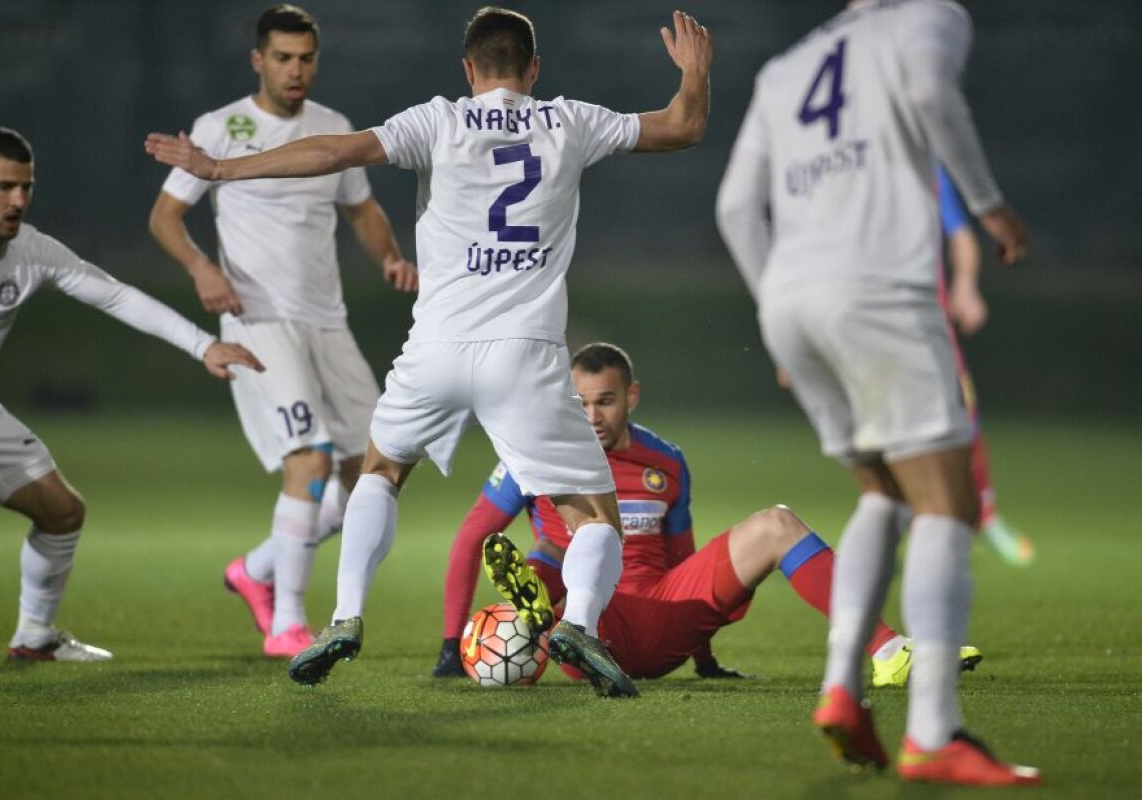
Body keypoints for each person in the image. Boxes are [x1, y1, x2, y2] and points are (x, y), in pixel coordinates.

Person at [146, 6, 713, 698]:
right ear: (533, 69)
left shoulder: (437, 119)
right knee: (593, 515)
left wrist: (223, 170)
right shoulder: (570, 120)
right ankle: (582, 624)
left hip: (436, 347)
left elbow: (334, 152)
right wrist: (695, 75)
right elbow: (682, 126)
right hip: (524, 355)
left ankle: (345, 616)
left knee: (380, 471)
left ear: (468, 69)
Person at [716, 0, 1040, 787]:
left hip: (792, 299)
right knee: (945, 504)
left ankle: (841, 689)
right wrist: (991, 205)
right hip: (878, 291)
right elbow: (932, 94)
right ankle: (933, 731)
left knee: (883, 495)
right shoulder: (927, 17)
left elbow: (734, 207)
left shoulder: (783, 67)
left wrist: (774, 307)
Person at [432, 342, 982, 686]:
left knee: (778, 523)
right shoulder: (537, 455)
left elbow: (683, 562)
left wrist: (704, 658)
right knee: (548, 554)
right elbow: (471, 539)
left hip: (663, 611)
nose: (593, 416)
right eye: (580, 403)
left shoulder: (666, 461)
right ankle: (552, 620)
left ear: (632, 397)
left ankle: (888, 650)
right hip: (587, 623)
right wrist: (448, 644)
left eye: (606, 400)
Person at [148, 5, 418, 659]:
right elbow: (164, 217)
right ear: (258, 61)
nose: (295, 70)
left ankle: (259, 569)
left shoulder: (332, 129)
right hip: (257, 321)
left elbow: (363, 209)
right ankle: (287, 624)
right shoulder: (222, 127)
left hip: (327, 322)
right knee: (310, 460)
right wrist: (201, 269)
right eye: (283, 58)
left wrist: (388, 255)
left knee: (376, 475)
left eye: (306, 58)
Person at [0, 127, 263, 662]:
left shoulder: (33, 251)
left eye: (26, 187)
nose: (18, 199)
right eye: (4, 186)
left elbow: (115, 295)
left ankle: (35, 636)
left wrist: (202, 344)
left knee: (62, 512)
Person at [935, 165, 1034, 567]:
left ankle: (985, 515)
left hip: (928, 322)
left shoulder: (924, 163)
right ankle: (902, 522)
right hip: (866, 319)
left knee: (963, 415)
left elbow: (957, 231)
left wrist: (965, 284)